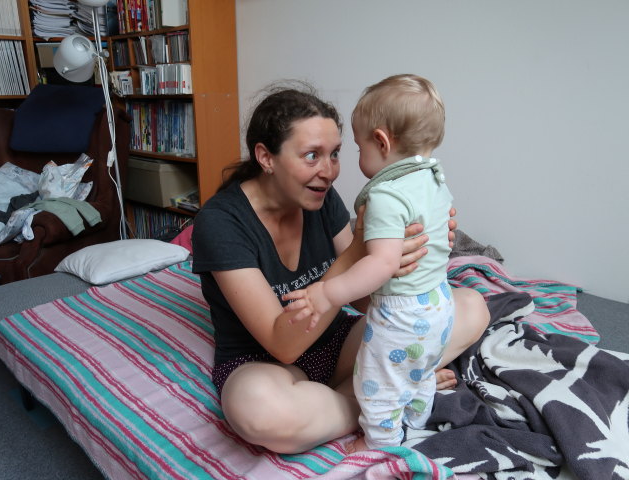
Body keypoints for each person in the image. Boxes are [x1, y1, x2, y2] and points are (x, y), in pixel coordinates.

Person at [191, 82, 489, 454]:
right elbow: (282, 345)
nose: (329, 171)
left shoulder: (322, 198)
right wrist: (355, 256)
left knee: (471, 305)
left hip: (337, 340)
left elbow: (363, 300)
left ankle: (376, 393)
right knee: (259, 412)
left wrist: (417, 256)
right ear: (266, 157)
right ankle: (383, 400)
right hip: (269, 362)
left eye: (335, 154)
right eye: (312, 156)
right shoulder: (220, 223)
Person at [283, 74, 456, 452]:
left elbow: (379, 265)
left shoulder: (386, 195)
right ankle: (415, 421)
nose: (338, 166)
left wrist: (327, 293)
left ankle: (380, 446)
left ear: (381, 142)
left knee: (374, 384)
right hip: (439, 305)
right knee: (420, 372)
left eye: (356, 149)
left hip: (402, 314)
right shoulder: (434, 179)